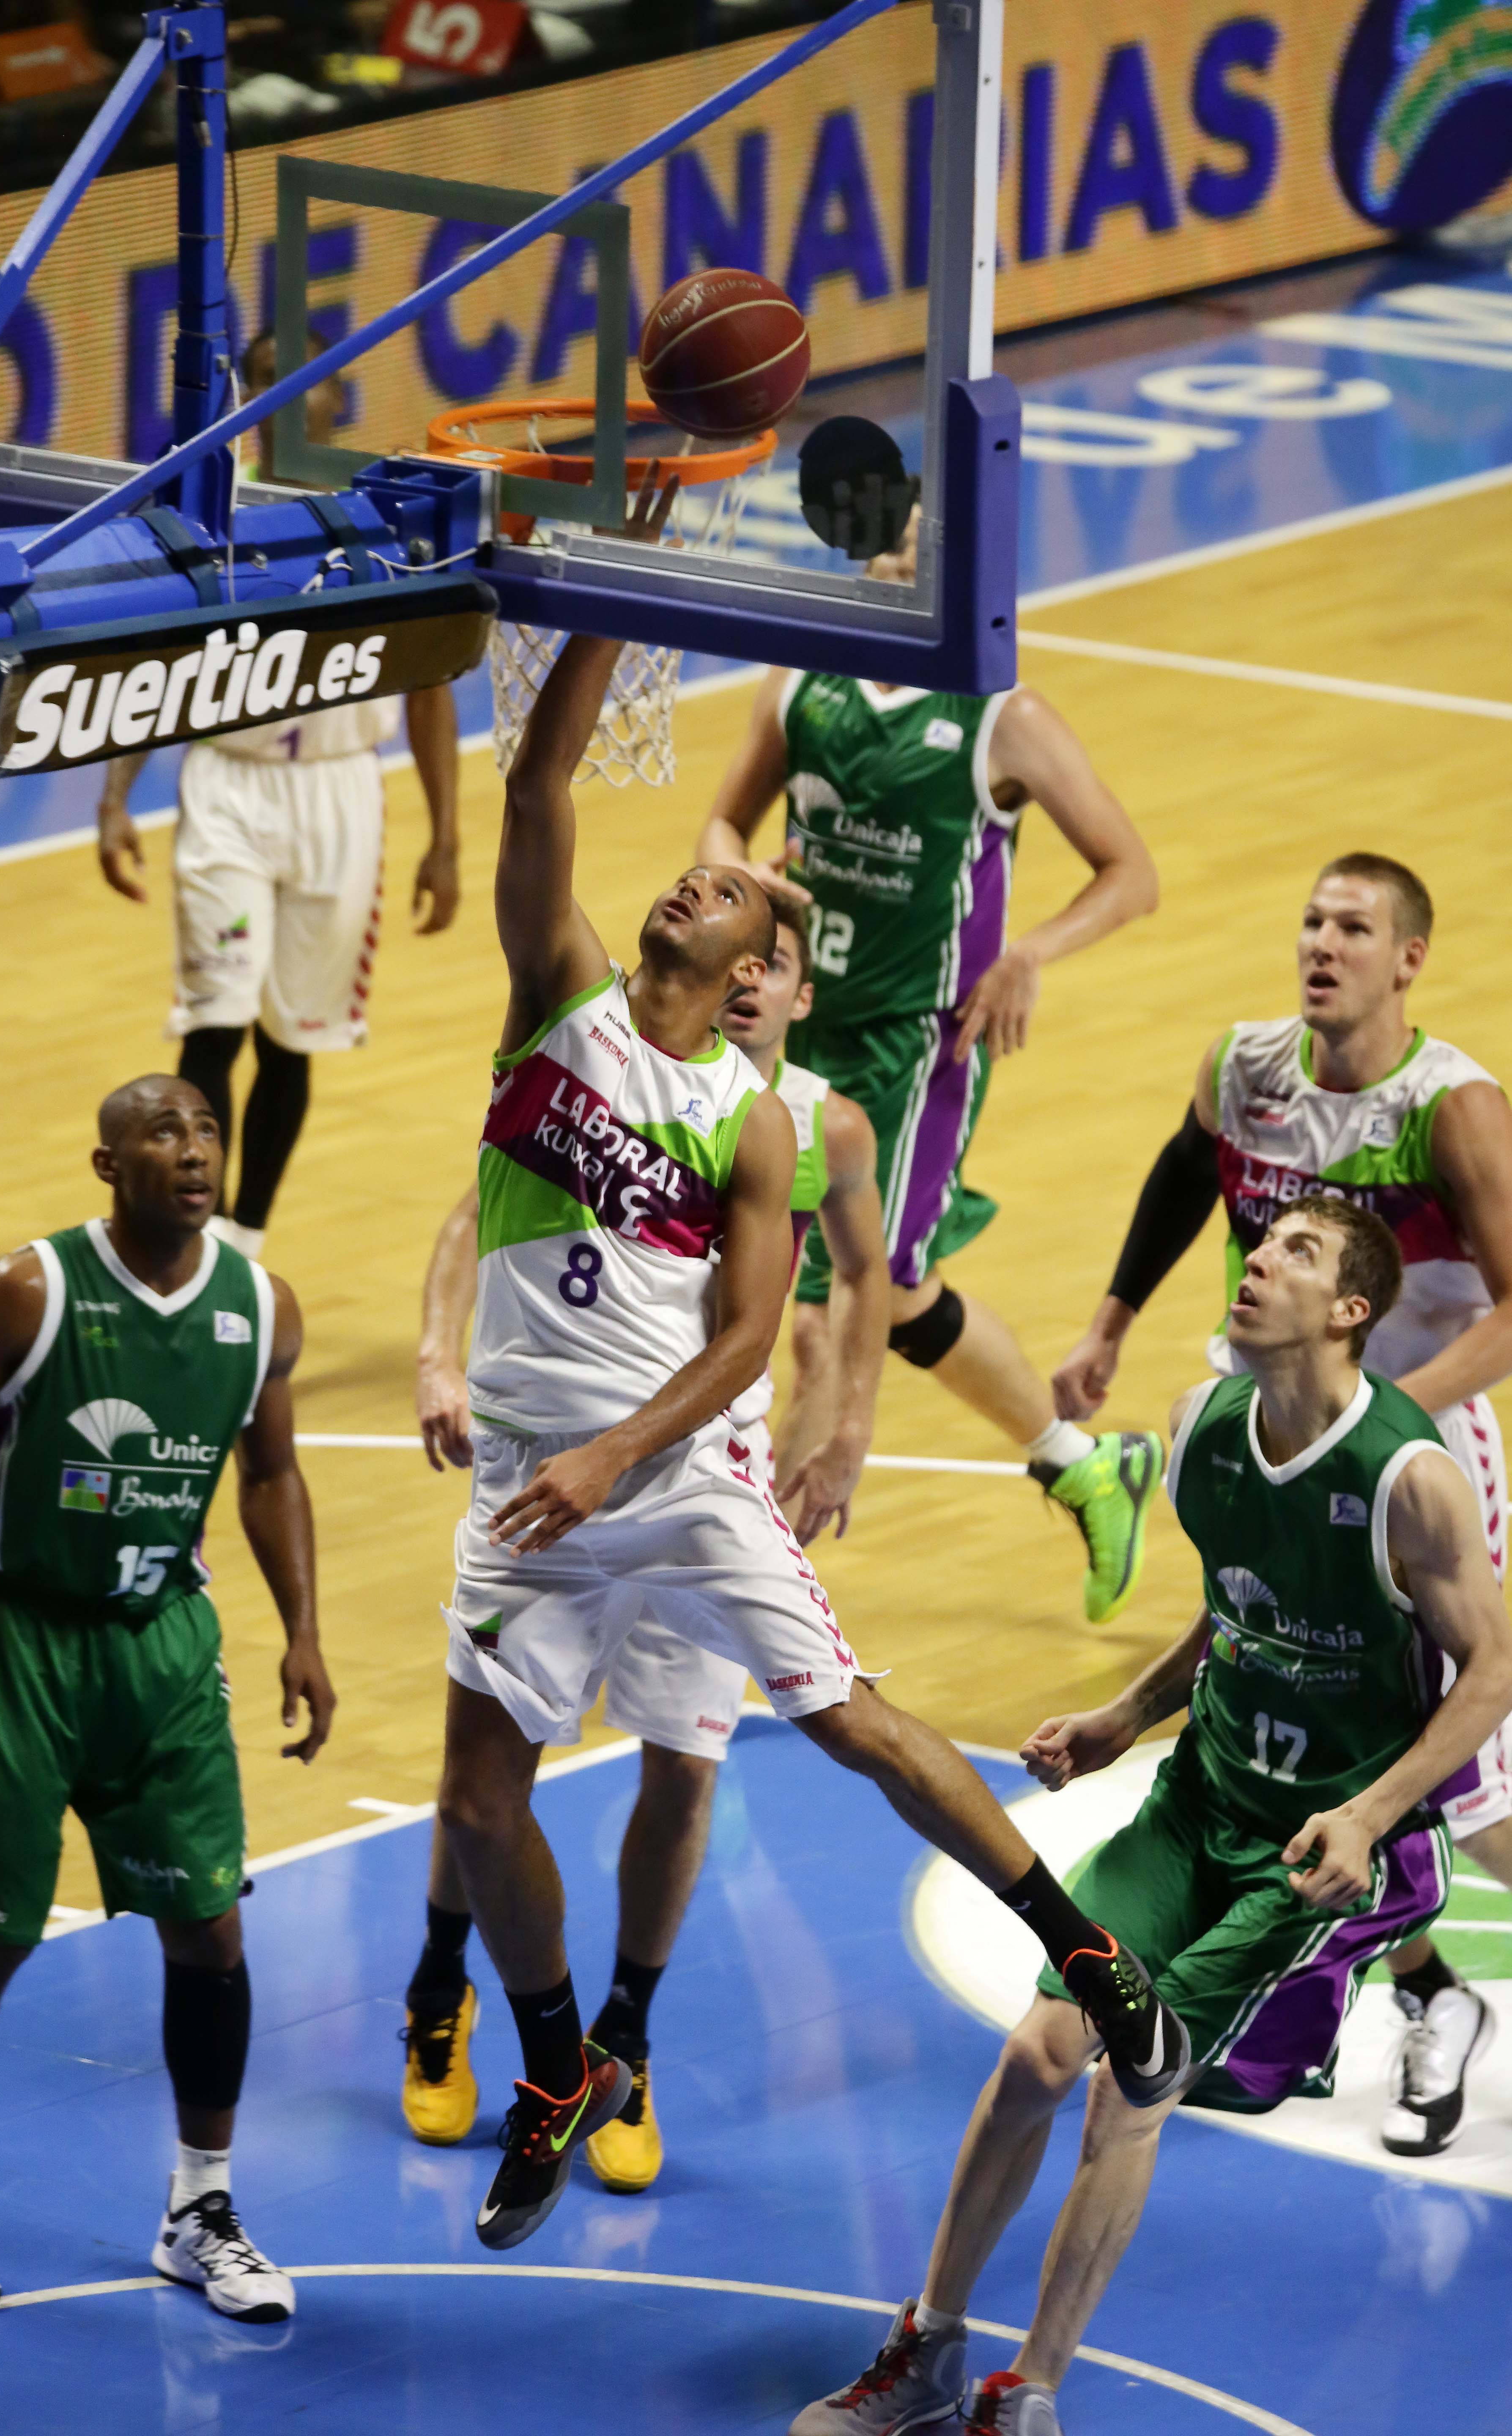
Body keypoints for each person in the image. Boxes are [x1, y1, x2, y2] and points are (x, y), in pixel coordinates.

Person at [426, 568, 1189, 2258]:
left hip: (677, 1474)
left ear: (759, 971)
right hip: (529, 1483)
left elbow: (752, 1338)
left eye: (723, 894)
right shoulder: (559, 1000)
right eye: (692, 875)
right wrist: (605, 594)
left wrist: (621, 1453)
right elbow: (539, 783)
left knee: (853, 1723)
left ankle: (1092, 1958)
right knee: (475, 1809)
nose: (688, 880)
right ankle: (558, 2068)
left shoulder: (753, 1122)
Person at [794, 1195, 1512, 2436]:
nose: (1259, 1259)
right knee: (1037, 2056)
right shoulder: (1202, 1429)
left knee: (1132, 2085)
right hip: (1197, 1806)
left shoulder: (1410, 1479)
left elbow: (1493, 1669)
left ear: (1350, 1311)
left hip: (1312, 1855)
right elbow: (1237, 1603)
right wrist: (1128, 1713)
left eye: (1297, 1253)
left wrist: (1370, 1813)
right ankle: (929, 2351)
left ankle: (1031, 2393)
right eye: (1264, 1241)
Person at [405, 887, 891, 2192]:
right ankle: (443, 1976)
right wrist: (439, 1353)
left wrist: (844, 1424)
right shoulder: (608, 1049)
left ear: (790, 991)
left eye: (773, 964)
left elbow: (860, 1282)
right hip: (555, 1466)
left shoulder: (817, 1127)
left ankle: (624, 2033)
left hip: (694, 1486)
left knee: (684, 1767)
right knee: (486, 1771)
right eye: (741, 956)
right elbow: (478, 1205)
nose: (750, 980)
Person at [1054, 851, 1512, 2159]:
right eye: (1312, 920)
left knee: (1468, 1794)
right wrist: (1110, 1322)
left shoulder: (1451, 1108)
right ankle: (1432, 1994)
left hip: (1411, 1456)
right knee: (1310, 1737)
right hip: (1279, 1441)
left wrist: (1375, 1422)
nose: (1323, 943)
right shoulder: (1245, 1066)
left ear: (1408, 959)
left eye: (1354, 927)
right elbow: (1180, 1174)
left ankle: (1428, 1992)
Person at [0, 1076, 336, 2319]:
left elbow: (272, 1474)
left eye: (206, 1130)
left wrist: (304, 1632)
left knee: (211, 1929)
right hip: (23, 1638)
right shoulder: (26, 1292)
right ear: (108, 1164)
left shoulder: (261, 1307)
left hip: (164, 1644)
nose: (194, 1151)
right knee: (1, 1930)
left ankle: (203, 2209)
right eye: (163, 1133)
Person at [697, 505, 1164, 1626]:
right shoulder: (800, 686)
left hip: (915, 1048)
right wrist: (746, 884)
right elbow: (720, 826)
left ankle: (757, 1600)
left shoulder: (1005, 716)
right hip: (792, 1024)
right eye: (893, 547)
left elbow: (1131, 873)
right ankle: (1085, 1465)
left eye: (928, 550)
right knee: (892, 1296)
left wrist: (1029, 952)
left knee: (824, 1318)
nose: (905, 564)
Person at [95, 326, 461, 1258]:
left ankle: (246, 1242)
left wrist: (447, 837)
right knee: (215, 1021)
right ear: (245, 396)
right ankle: (195, 1240)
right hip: (229, 784)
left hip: (341, 794)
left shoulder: (384, 513)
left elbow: (430, 686)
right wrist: (114, 799)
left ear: (343, 396)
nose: (291, 397)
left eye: (310, 381)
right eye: (270, 380)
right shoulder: (210, 506)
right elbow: (156, 657)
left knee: (294, 1035)